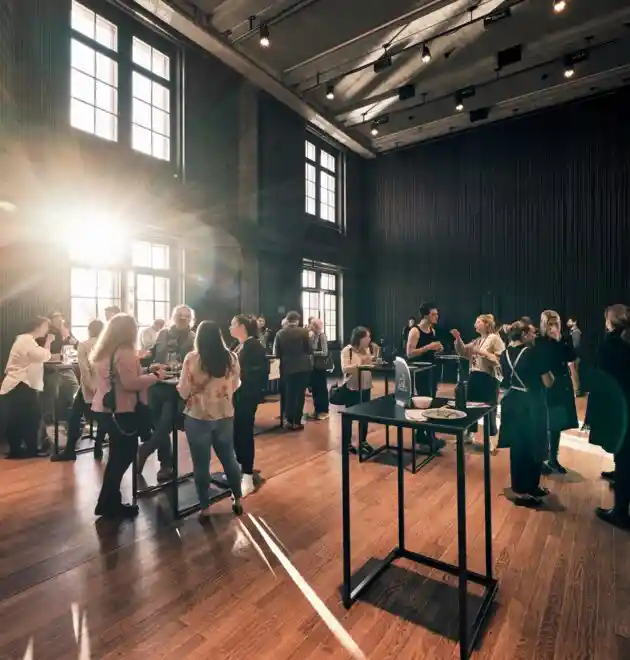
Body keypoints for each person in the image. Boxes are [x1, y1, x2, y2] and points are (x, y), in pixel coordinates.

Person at [91, 313, 164, 519]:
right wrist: (155, 376)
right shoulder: (125, 351)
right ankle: (109, 503)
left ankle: (107, 501)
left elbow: (121, 376)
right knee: (122, 456)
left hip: (105, 408)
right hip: (122, 411)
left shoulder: (104, 350)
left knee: (116, 457)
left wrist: (146, 369)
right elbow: (130, 383)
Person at [178, 321, 243, 518]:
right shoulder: (231, 357)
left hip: (198, 415)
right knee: (229, 458)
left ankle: (205, 507)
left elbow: (184, 391)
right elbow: (236, 384)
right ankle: (238, 498)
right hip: (224, 414)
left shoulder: (192, 358)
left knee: (201, 464)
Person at [499, 320, 554, 508]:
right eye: (532, 333)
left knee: (519, 446)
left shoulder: (504, 354)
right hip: (532, 402)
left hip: (513, 401)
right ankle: (525, 491)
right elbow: (548, 381)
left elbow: (506, 380)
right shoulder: (533, 353)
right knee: (535, 444)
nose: (535, 335)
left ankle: (526, 487)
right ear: (523, 335)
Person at [139, 305, 195, 481]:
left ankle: (146, 451)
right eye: (179, 315)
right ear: (173, 316)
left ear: (191, 319)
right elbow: (153, 354)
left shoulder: (193, 338)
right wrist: (147, 360)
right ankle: (166, 463)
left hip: (177, 389)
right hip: (158, 384)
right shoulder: (162, 334)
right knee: (158, 426)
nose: (183, 318)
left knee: (165, 424)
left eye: (186, 316)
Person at [588, 305, 630, 529]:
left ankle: (620, 513)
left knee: (624, 456)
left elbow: (603, 380)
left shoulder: (611, 345)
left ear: (609, 322)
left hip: (621, 407)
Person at [52, 319, 107, 461]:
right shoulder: (108, 345)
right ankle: (98, 445)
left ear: (90, 330)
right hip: (105, 387)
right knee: (104, 416)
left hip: (89, 388)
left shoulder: (84, 345)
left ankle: (70, 450)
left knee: (75, 416)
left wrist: (91, 386)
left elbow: (84, 370)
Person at [1, 317, 53, 458]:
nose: (47, 329)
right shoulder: (26, 340)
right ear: (37, 327)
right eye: (45, 326)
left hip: (20, 384)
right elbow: (43, 356)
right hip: (20, 383)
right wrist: (49, 342)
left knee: (21, 417)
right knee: (29, 418)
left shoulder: (25, 340)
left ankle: (20, 449)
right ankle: (26, 449)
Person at [451, 314, 504, 450]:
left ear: (487, 324)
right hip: (475, 375)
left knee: (489, 408)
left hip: (489, 377)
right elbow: (463, 352)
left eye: (478, 322)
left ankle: (490, 439)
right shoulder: (477, 340)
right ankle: (469, 434)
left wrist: (481, 352)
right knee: (471, 405)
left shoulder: (494, 339)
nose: (475, 324)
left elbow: (499, 358)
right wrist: (458, 339)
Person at [230, 314, 268, 497]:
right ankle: (240, 466)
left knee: (244, 432)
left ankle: (247, 474)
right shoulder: (237, 345)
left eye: (233, 324)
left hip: (246, 396)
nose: (230, 327)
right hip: (236, 396)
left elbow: (257, 373)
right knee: (236, 432)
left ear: (242, 327)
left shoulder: (254, 346)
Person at [538, 310, 578, 475]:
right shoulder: (540, 341)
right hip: (547, 385)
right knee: (545, 424)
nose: (553, 327)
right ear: (544, 325)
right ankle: (542, 459)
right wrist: (555, 343)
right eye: (550, 324)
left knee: (556, 425)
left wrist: (560, 341)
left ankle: (553, 459)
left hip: (562, 385)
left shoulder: (564, 338)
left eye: (556, 324)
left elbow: (571, 357)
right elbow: (546, 361)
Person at [406, 302, 446, 450]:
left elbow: (430, 351)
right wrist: (429, 347)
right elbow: (409, 353)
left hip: (431, 370)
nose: (436, 317)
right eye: (433, 314)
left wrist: (437, 349)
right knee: (423, 402)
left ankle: (423, 434)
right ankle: (428, 435)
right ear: (425, 316)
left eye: (437, 314)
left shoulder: (432, 330)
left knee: (431, 400)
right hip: (420, 371)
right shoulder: (415, 331)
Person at [274, 311, 312, 430]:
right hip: (303, 367)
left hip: (287, 367)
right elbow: (309, 349)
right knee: (300, 394)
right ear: (297, 320)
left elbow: (277, 353)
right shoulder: (304, 332)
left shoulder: (280, 333)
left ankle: (289, 420)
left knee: (289, 394)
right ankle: (297, 421)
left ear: (287, 320)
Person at [340, 327, 375, 456]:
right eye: (367, 337)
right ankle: (347, 443)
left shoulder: (367, 349)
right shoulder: (347, 350)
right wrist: (359, 364)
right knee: (349, 417)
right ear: (360, 338)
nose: (370, 339)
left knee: (365, 416)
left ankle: (363, 441)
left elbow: (369, 365)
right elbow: (344, 369)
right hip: (352, 388)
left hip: (365, 386)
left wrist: (372, 360)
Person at [306, 318, 330, 421]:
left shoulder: (322, 336)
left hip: (320, 367)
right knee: (315, 389)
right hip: (312, 366)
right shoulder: (312, 336)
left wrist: (312, 353)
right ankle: (317, 410)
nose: (309, 326)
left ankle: (324, 411)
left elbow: (324, 352)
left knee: (321, 389)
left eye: (311, 324)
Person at [566, 317, 583, 395]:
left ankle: (577, 391)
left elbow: (575, 345)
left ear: (574, 322)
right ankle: (576, 390)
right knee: (573, 372)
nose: (568, 322)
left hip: (575, 355)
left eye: (570, 321)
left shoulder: (576, 332)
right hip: (573, 355)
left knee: (574, 372)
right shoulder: (572, 332)